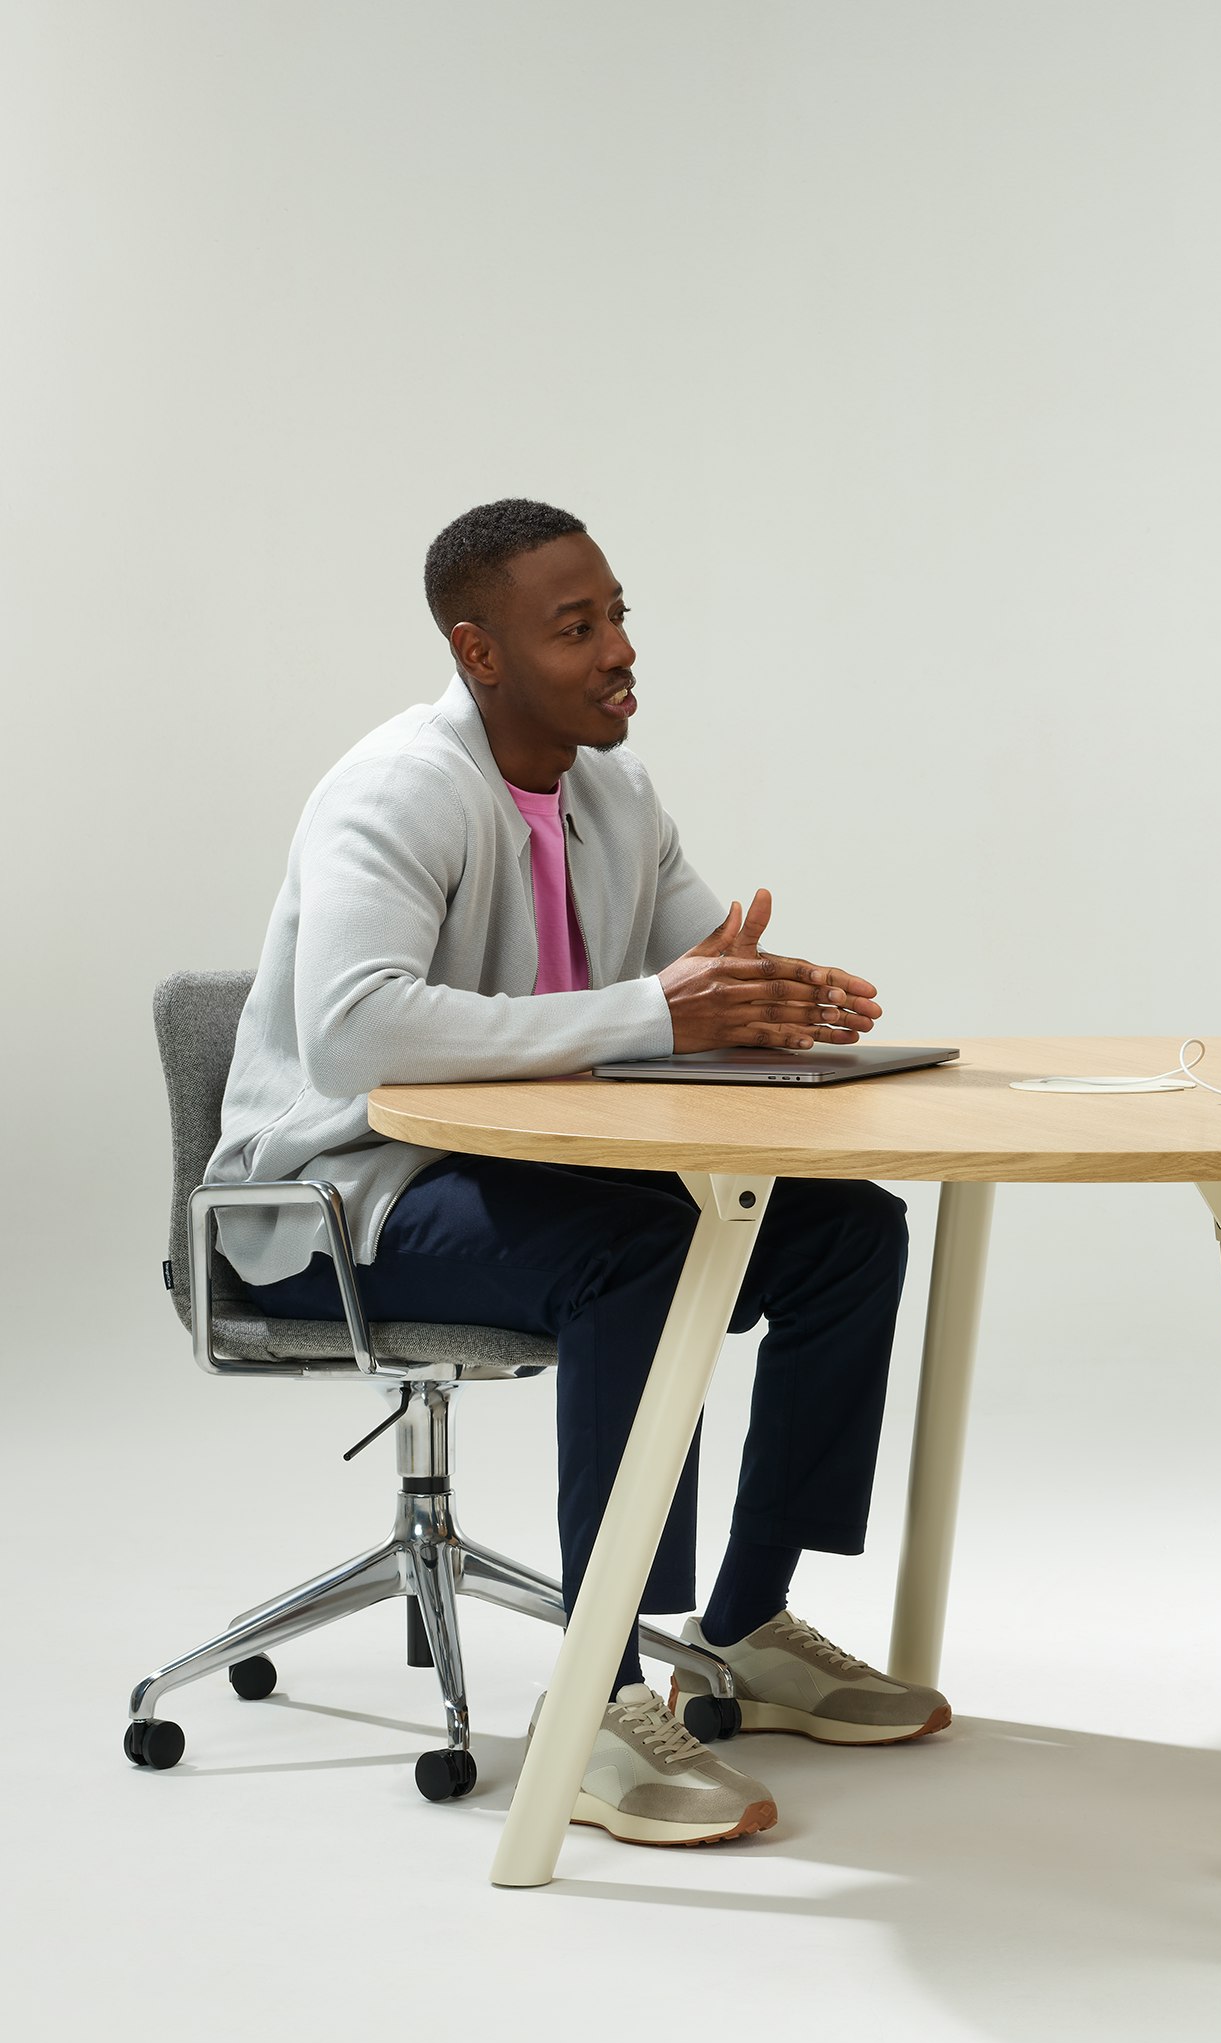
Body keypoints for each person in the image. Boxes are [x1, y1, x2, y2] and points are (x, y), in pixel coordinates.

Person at [210, 498, 949, 1850]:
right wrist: (665, 1013)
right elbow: (359, 1030)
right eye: (576, 627)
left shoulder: (616, 793)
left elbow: (693, 977)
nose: (618, 652)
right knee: (644, 1261)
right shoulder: (398, 790)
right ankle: (600, 1702)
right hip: (340, 1196)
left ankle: (745, 1629)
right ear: (479, 652)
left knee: (846, 1233)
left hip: (516, 1174)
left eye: (618, 618)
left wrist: (773, 1002)